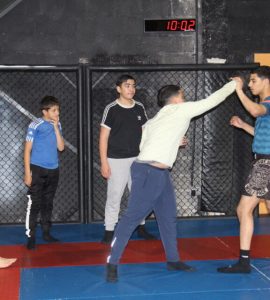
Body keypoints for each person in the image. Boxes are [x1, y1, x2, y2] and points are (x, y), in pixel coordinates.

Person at [106, 79, 237, 282]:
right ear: (177, 97)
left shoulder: (155, 120)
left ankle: (173, 259)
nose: (184, 99)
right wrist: (233, 85)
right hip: (149, 172)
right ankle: (112, 263)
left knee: (167, 216)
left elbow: (145, 144)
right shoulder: (180, 110)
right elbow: (212, 100)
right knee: (132, 217)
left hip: (158, 173)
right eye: (183, 96)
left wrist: (175, 142)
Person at [218, 66, 270, 274]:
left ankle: (244, 262)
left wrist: (238, 89)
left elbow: (255, 111)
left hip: (265, 164)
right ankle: (244, 262)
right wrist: (242, 126)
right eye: (248, 82)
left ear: (266, 81)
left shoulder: (266, 104)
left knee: (243, 209)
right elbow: (260, 134)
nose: (249, 85)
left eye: (253, 81)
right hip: (264, 161)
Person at [99, 74, 156, 244]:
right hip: (116, 159)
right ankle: (109, 231)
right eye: (127, 86)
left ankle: (141, 226)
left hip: (138, 159)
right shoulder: (111, 109)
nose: (131, 89)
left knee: (138, 194)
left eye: (133, 85)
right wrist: (104, 162)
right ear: (118, 89)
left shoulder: (139, 107)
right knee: (114, 195)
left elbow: (147, 132)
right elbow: (103, 137)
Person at [24, 96, 65, 250]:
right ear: (45, 111)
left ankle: (47, 233)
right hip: (37, 169)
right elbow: (27, 150)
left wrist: (55, 128)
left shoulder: (57, 124)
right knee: (35, 202)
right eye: (54, 110)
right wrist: (28, 173)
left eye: (58, 110)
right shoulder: (35, 124)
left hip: (53, 169)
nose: (57, 113)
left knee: (48, 202)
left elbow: (61, 147)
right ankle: (31, 236)